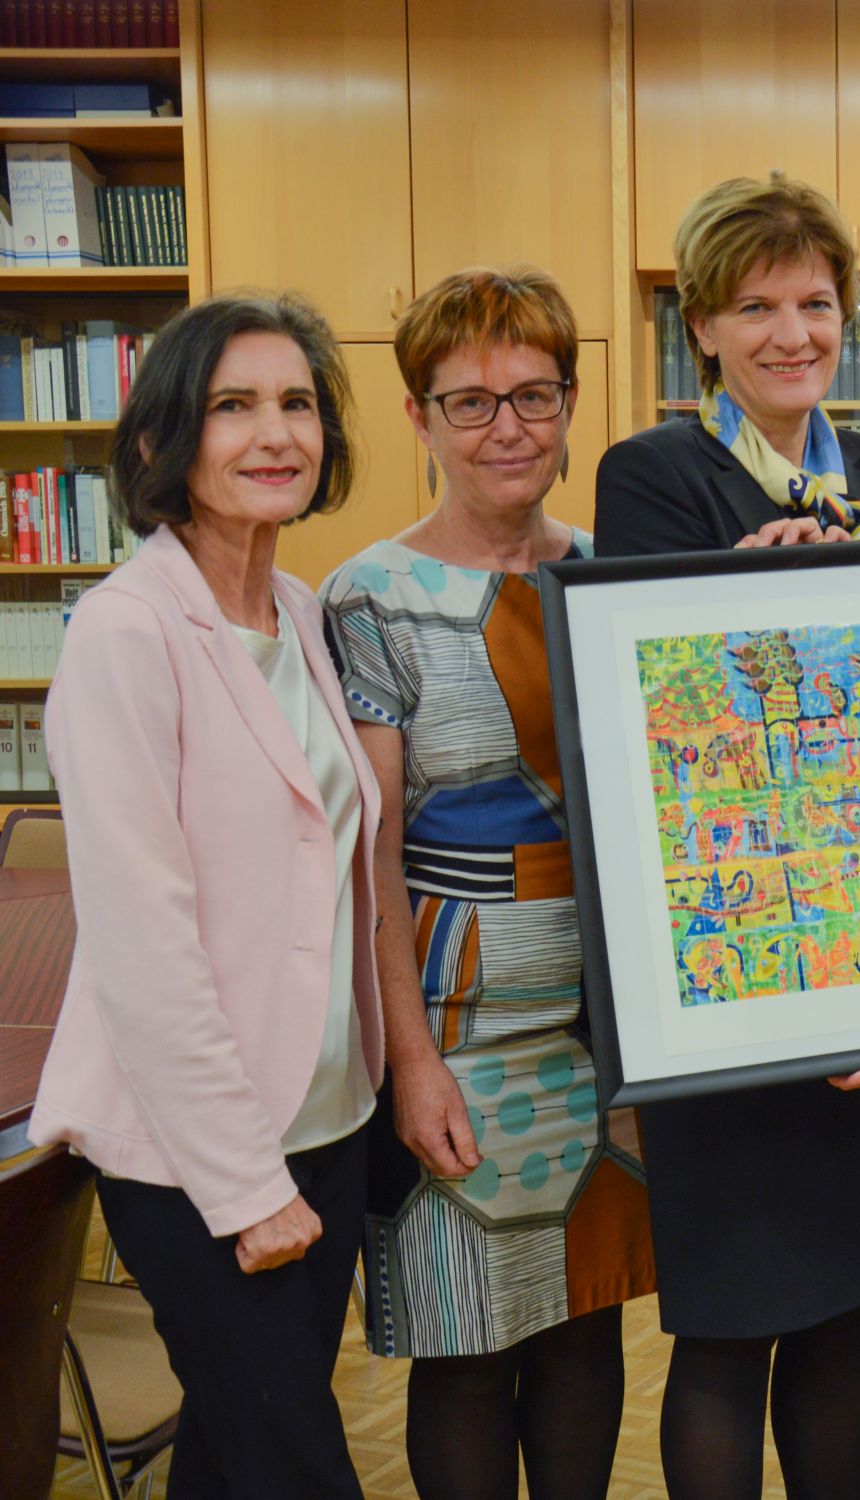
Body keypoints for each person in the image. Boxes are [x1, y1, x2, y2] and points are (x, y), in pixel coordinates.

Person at [593, 173, 860, 1500]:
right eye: (757, 307)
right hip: (740, 958)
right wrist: (748, 616)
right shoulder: (653, 473)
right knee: (733, 1323)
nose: (791, 332)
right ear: (703, 327)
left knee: (845, 1309)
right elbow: (667, 731)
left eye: (814, 302)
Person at [28, 292, 379, 1498]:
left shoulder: (301, 612)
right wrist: (243, 1185)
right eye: (234, 405)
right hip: (199, 1161)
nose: (274, 432)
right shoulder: (126, 632)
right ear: (160, 442)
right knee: (295, 1459)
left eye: (296, 403)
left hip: (326, 1119)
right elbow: (142, 948)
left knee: (235, 1457)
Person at [319, 266, 655, 1500]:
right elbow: (370, 853)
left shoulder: (615, 573)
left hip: (603, 1030)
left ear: (570, 402)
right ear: (418, 418)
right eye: (469, 401)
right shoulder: (371, 598)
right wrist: (408, 1060)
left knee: (585, 1326)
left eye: (533, 394)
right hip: (458, 1031)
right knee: (463, 1349)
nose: (507, 426)